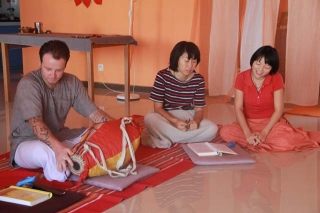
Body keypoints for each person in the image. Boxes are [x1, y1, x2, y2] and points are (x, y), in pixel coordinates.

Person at [9, 40, 114, 182]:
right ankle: (65, 173)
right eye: (48, 69)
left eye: (59, 70)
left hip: (60, 136)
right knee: (46, 152)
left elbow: (94, 113)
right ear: (40, 63)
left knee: (96, 132)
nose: (53, 75)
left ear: (65, 66)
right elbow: (36, 124)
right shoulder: (28, 84)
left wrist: (118, 127)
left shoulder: (72, 82)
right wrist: (58, 149)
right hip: (27, 143)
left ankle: (73, 163)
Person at [220, 45, 320, 152]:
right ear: (252, 61)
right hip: (247, 123)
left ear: (272, 68)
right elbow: (238, 108)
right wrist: (247, 133)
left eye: (266, 67)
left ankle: (256, 141)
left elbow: (279, 110)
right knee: (225, 132)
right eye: (258, 63)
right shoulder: (241, 77)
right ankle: (256, 140)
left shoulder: (277, 78)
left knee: (287, 141)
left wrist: (264, 132)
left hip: (271, 124)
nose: (260, 69)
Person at [141, 41, 218, 148]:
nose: (190, 66)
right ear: (177, 58)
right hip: (166, 117)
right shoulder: (162, 76)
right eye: (186, 61)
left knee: (213, 129)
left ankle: (162, 138)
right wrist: (174, 121)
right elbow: (158, 108)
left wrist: (196, 122)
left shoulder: (199, 79)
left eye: (194, 61)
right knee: (149, 118)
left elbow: (199, 110)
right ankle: (182, 136)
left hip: (187, 116)